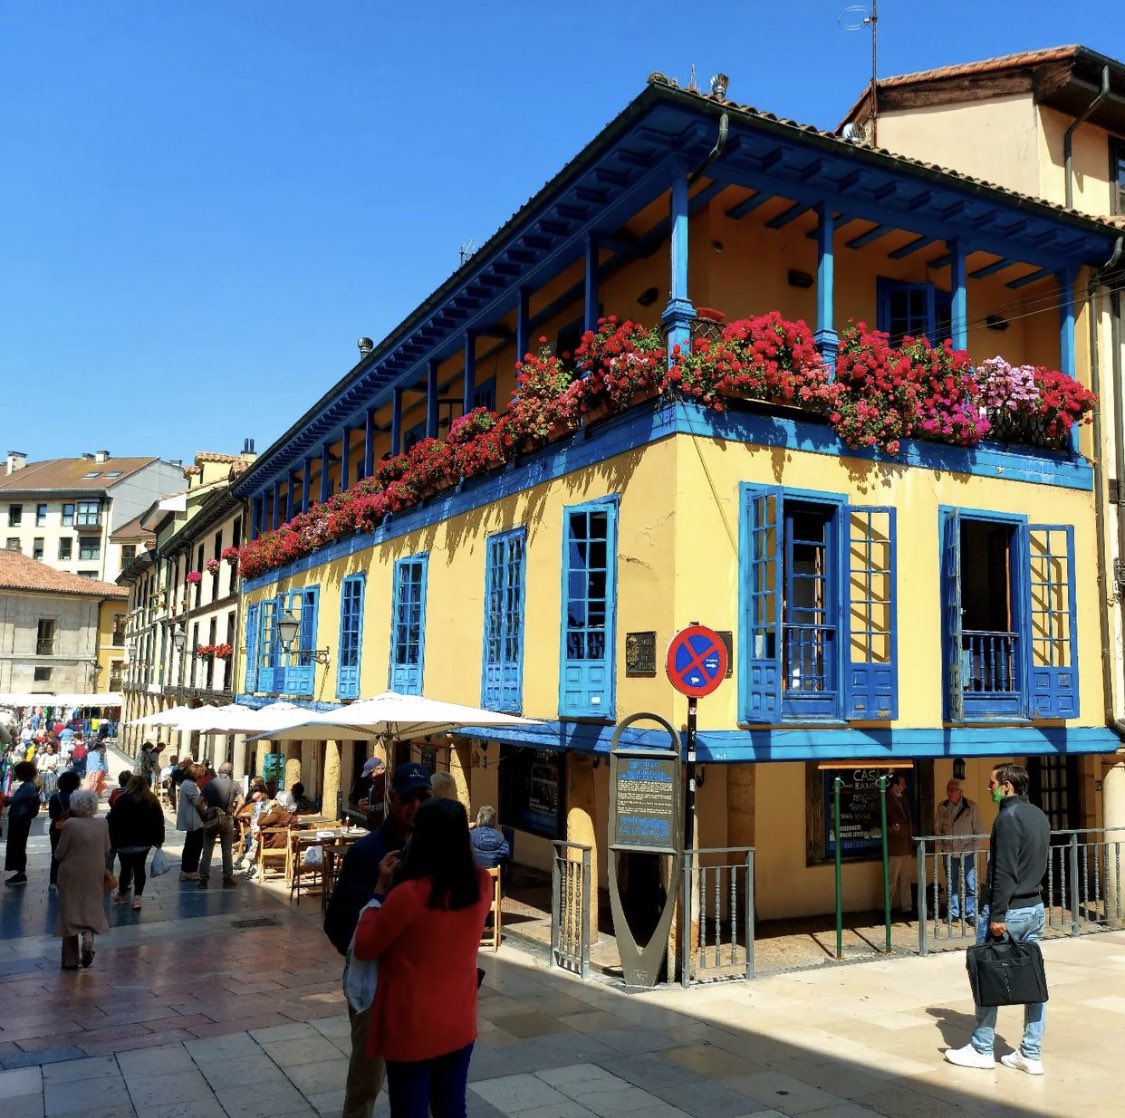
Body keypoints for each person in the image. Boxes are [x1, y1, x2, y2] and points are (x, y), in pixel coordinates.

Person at [354, 798, 493, 1117]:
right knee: (451, 1108)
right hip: (458, 1017)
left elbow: (366, 945)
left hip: (412, 1023)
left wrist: (379, 889)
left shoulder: (409, 896)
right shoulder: (481, 884)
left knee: (410, 1109)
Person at [325, 763, 432, 1118]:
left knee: (415, 1076)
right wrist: (363, 958)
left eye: (423, 798)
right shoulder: (368, 853)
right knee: (366, 1078)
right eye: (407, 798)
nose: (414, 807)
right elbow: (337, 921)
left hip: (416, 982)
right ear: (391, 798)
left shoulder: (430, 856)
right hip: (376, 982)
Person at [945, 763, 1051, 1076]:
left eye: (992, 783)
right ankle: (1031, 1053)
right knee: (1034, 982)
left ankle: (981, 1048)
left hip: (1010, 910)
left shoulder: (1007, 818)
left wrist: (997, 914)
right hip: (1035, 908)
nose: (989, 788)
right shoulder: (1038, 815)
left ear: (1007, 785)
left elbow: (1004, 869)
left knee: (986, 974)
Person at [54, 788, 111, 969]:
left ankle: (70, 960)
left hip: (70, 874)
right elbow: (107, 848)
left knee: (69, 910)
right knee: (91, 905)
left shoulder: (70, 824)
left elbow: (60, 853)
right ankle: (88, 937)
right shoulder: (102, 823)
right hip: (94, 871)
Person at [107, 774, 166, 910]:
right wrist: (159, 840)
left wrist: (112, 840)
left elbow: (112, 821)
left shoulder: (121, 800)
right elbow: (159, 821)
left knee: (125, 869)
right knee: (139, 869)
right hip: (143, 842)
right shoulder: (151, 800)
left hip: (124, 842)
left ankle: (122, 894)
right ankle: (137, 898)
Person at [936, 779, 984, 924]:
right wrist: (941, 848)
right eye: (948, 789)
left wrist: (974, 849)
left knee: (970, 884)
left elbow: (979, 830)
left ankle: (971, 913)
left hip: (967, 852)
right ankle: (953, 912)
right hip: (949, 852)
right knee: (951, 883)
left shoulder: (971, 806)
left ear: (960, 792)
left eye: (953, 789)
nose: (949, 792)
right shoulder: (942, 806)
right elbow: (937, 828)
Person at [197, 762, 242, 889]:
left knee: (207, 850)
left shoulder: (210, 784)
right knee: (227, 850)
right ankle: (227, 878)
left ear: (219, 771)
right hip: (227, 818)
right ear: (231, 772)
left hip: (212, 818)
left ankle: (203, 879)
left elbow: (198, 802)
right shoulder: (235, 784)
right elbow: (242, 801)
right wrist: (235, 813)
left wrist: (204, 815)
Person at [4, 761, 40, 885]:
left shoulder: (28, 787)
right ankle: (19, 871)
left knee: (18, 845)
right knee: (17, 845)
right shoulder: (28, 785)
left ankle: (21, 873)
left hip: (20, 819)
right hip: (19, 818)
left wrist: (4, 799)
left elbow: (13, 800)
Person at [48, 770, 82, 890]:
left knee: (56, 854)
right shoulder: (78, 798)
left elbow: (52, 815)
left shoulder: (54, 797)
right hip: (74, 829)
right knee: (72, 854)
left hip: (57, 829)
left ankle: (53, 881)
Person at [886, 772, 914, 915]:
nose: (905, 787)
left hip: (906, 846)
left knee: (905, 880)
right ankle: (887, 908)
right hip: (894, 848)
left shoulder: (903, 799)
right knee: (891, 880)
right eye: (902, 784)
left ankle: (906, 907)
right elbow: (876, 819)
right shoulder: (885, 799)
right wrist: (890, 827)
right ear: (895, 786)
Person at [176, 762, 206, 881]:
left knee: (191, 845)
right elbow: (197, 802)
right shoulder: (190, 785)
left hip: (193, 819)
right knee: (194, 846)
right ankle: (189, 870)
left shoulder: (188, 783)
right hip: (194, 820)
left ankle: (188, 870)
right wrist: (206, 813)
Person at [469, 805, 510, 870]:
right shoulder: (504, 843)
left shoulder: (467, 837)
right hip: (491, 879)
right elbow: (505, 861)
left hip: (471, 878)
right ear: (493, 823)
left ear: (478, 821)